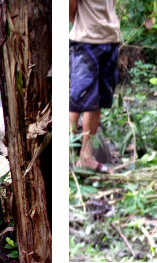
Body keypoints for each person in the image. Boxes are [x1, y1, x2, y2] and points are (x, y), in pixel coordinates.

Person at [70, 0, 120, 173]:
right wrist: (81, 25)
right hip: (86, 41)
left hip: (111, 39)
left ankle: (86, 157)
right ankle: (68, 157)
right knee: (77, 100)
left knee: (97, 101)